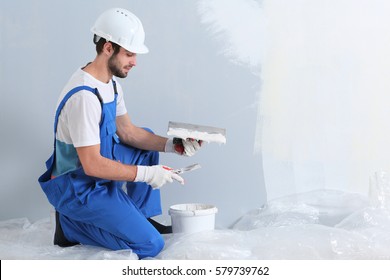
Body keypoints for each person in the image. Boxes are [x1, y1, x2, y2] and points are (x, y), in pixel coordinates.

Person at [38, 7, 202, 259]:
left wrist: (173, 145)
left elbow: (128, 132)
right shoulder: (84, 97)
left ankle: (139, 218)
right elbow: (92, 165)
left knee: (144, 144)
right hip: (80, 186)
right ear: (107, 48)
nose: (134, 61)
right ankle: (70, 226)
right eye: (128, 54)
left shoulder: (110, 83)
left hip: (96, 169)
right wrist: (147, 175)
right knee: (151, 246)